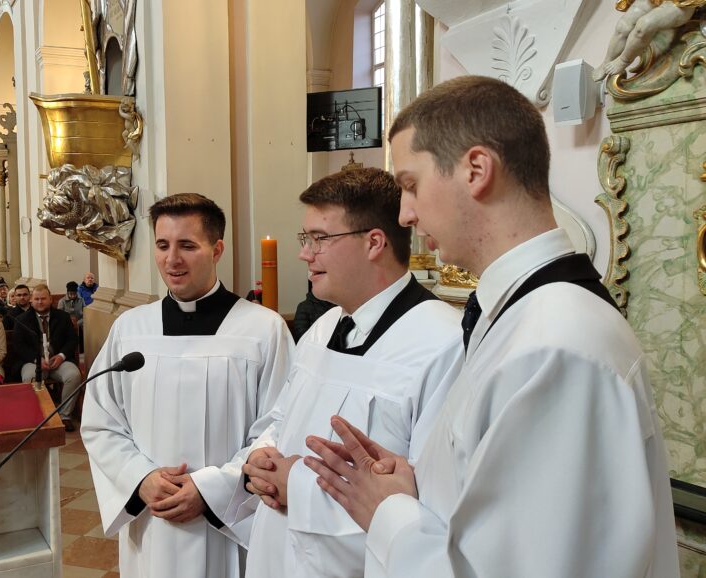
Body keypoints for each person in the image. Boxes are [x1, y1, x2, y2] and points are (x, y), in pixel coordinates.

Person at [303, 75, 679, 578]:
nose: (405, 214)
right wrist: (419, 483)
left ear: (476, 170)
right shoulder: (521, 317)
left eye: (411, 185)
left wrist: (387, 512)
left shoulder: (555, 345)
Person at [237, 168, 463, 578]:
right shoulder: (323, 328)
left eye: (319, 239)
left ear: (374, 242)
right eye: (305, 239)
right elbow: (281, 419)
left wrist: (297, 487)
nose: (305, 254)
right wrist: (261, 457)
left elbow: (430, 503)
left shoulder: (442, 343)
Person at [81, 193, 295, 578]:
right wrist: (140, 478)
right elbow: (101, 422)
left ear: (217, 250)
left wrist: (211, 490)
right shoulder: (131, 329)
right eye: (162, 245)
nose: (172, 259)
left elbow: (280, 426)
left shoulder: (263, 330)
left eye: (187, 246)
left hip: (228, 525)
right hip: (152, 524)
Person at [13, 285, 82, 430]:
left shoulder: (63, 317)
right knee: (30, 378)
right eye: (36, 299)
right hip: (34, 361)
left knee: (74, 375)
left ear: (50, 299)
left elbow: (72, 340)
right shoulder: (21, 320)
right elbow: (19, 346)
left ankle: (65, 415)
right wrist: (37, 359)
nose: (40, 302)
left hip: (58, 360)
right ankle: (39, 416)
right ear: (31, 301)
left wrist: (61, 356)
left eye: (43, 298)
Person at [594, 0, 704, 80]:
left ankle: (623, 60)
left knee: (645, 25)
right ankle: (606, 61)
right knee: (623, 26)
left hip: (682, 4)